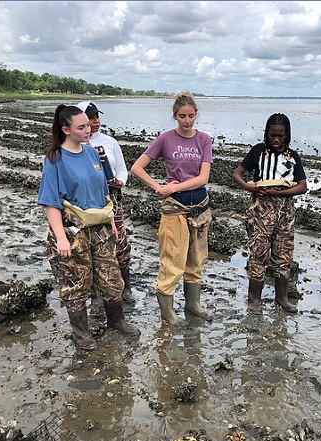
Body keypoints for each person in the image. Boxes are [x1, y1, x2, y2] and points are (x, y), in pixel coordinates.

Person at [38, 104, 140, 351]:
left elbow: (103, 192)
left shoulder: (92, 153)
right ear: (66, 130)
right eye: (82, 126)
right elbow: (51, 203)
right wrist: (61, 239)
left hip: (102, 228)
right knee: (76, 282)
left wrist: (113, 223)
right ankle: (81, 332)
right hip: (73, 231)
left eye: (88, 124)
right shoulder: (55, 160)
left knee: (110, 275)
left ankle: (117, 320)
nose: (89, 129)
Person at [130, 91, 213, 325]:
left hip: (200, 206)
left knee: (196, 260)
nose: (187, 121)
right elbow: (137, 168)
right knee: (173, 261)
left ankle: (193, 305)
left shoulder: (204, 139)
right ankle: (168, 312)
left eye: (191, 116)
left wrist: (172, 188)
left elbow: (203, 178)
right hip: (175, 208)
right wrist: (159, 187)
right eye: (182, 116)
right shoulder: (165, 139)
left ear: (196, 115)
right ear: (174, 116)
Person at [233, 113, 308, 314]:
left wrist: (278, 192)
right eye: (272, 135)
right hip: (260, 210)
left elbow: (302, 186)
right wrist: (249, 187)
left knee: (283, 254)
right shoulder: (258, 151)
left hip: (285, 212)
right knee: (258, 252)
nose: (276, 139)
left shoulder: (293, 157)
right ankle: (254, 300)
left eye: (280, 136)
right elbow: (237, 174)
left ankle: (282, 298)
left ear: (287, 135)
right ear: (266, 134)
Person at [76, 101, 136, 320]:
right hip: (87, 202)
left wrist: (121, 181)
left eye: (96, 116)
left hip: (113, 199)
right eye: (90, 117)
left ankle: (126, 287)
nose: (95, 121)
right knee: (91, 245)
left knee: (119, 241)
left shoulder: (109, 142)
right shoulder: (76, 145)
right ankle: (94, 292)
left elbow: (121, 168)